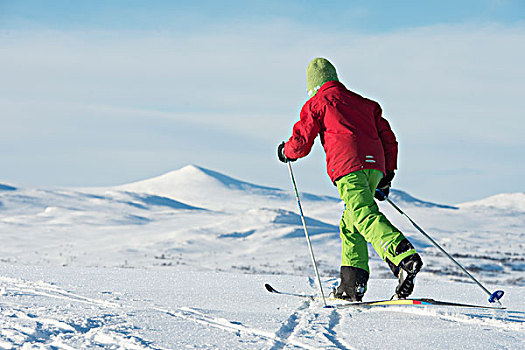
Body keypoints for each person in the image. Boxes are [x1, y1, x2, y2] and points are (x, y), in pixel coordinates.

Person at [277, 57, 423, 301]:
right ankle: (351, 286)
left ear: (313, 86)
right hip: (374, 168)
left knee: (363, 215)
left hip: (348, 167)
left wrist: (286, 152)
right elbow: (389, 140)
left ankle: (403, 257)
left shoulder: (318, 103)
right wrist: (386, 175)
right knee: (350, 222)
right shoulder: (365, 104)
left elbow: (301, 143)